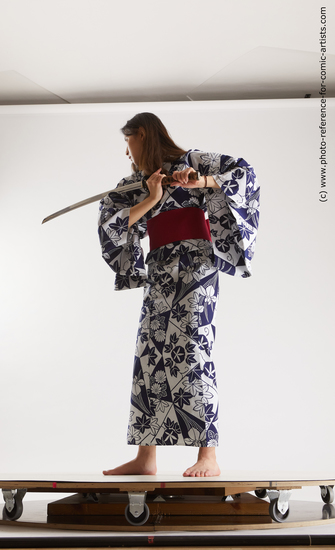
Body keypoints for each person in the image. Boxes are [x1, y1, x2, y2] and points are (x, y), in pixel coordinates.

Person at [98, 112, 260, 477]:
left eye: (129, 142)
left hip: (197, 266)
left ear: (142, 134)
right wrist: (152, 198)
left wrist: (201, 181)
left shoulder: (193, 161)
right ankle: (146, 457)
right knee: (150, 354)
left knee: (192, 347)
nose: (128, 152)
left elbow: (243, 174)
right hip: (160, 267)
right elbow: (110, 224)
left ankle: (209, 455)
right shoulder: (137, 183)